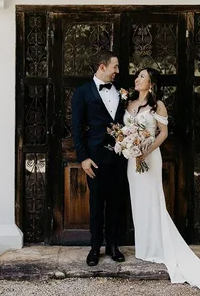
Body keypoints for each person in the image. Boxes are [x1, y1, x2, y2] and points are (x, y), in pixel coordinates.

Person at [125, 68, 200, 289]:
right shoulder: (129, 104)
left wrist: (147, 150)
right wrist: (129, 146)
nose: (137, 79)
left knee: (153, 200)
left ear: (151, 83)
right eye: (137, 76)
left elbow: (163, 132)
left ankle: (156, 247)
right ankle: (143, 247)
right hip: (132, 160)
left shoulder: (158, 105)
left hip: (150, 157)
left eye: (142, 76)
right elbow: (126, 130)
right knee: (138, 201)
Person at [71, 50, 127, 267]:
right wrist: (83, 158)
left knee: (116, 204)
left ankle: (113, 246)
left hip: (119, 157)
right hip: (94, 160)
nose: (118, 71)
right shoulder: (82, 92)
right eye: (115, 67)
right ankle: (95, 247)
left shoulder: (122, 92)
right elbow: (76, 128)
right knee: (96, 205)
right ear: (102, 67)